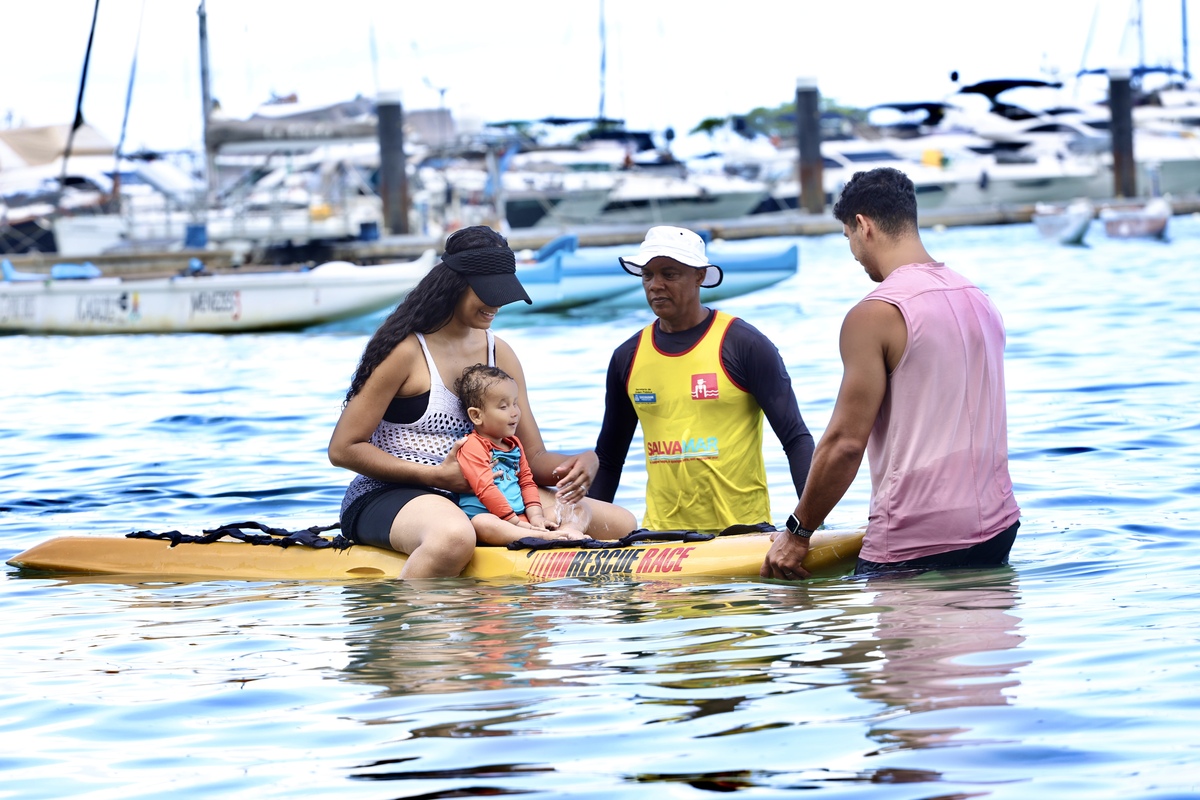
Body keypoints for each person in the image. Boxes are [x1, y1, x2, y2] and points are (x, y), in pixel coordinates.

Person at [328, 225, 638, 578]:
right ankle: (413, 625)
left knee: (619, 523)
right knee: (452, 538)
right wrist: (439, 476)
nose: (498, 303)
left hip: (486, 494)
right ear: (454, 284)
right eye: (489, 291)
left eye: (504, 292)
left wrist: (579, 462)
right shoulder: (405, 352)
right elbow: (343, 448)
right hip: (392, 493)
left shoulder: (500, 353)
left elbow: (533, 459)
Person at [762, 167, 1020, 580]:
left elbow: (846, 443)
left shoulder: (875, 314)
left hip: (916, 539)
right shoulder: (980, 300)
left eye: (847, 238)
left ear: (862, 226)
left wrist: (798, 532)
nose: (854, 254)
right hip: (997, 525)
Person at [589, 225, 815, 532]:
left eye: (669, 274)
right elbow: (610, 459)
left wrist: (808, 528)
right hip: (662, 541)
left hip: (743, 535)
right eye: (648, 275)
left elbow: (796, 439)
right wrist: (581, 537)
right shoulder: (627, 357)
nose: (655, 285)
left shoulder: (744, 344)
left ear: (699, 276)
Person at [454, 364, 588, 545]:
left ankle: (567, 533)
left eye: (515, 403)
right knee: (482, 523)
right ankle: (543, 537)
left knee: (579, 507)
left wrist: (536, 517)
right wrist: (515, 523)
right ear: (476, 416)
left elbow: (526, 481)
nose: (515, 412)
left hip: (520, 518)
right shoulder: (472, 446)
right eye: (503, 407)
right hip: (494, 519)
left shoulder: (514, 444)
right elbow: (485, 488)